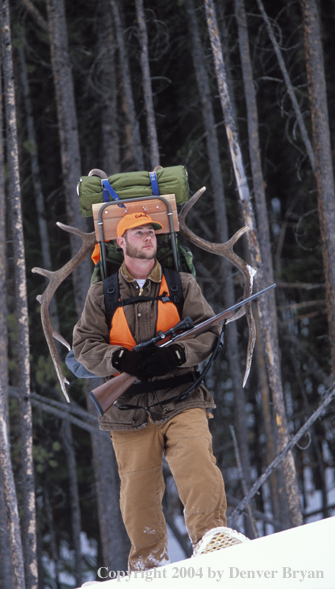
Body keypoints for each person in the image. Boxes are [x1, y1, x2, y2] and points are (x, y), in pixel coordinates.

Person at [72, 212, 247, 571]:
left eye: (152, 231)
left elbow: (209, 331)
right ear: (121, 243)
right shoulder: (101, 295)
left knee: (198, 463)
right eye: (139, 232)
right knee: (137, 497)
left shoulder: (181, 284)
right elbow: (84, 346)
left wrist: (179, 353)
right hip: (128, 411)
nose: (149, 237)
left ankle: (213, 540)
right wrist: (120, 359)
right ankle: (148, 566)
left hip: (182, 397)